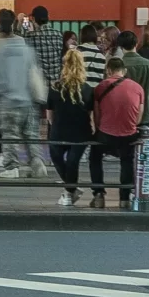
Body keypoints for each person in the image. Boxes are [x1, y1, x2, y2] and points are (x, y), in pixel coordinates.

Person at [0, 9, 45, 180]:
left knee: (10, 135)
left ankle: (12, 166)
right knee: (31, 134)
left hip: (8, 99)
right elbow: (34, 72)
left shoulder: (0, 47)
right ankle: (37, 161)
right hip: (28, 99)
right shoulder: (26, 47)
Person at [86, 56, 145, 208]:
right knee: (127, 161)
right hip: (129, 135)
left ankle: (98, 195)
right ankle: (124, 198)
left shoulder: (100, 87)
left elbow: (97, 116)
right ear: (124, 71)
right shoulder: (138, 88)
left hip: (105, 134)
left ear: (108, 70)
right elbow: (139, 117)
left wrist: (101, 128)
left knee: (95, 157)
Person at [111, 30, 149, 195]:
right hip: (147, 111)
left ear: (120, 45)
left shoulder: (116, 65)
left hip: (124, 114)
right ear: (136, 44)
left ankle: (127, 190)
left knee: (126, 154)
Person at [49, 41, 94, 206]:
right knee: (73, 161)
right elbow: (91, 114)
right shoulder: (88, 89)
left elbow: (50, 115)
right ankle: (69, 191)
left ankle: (71, 190)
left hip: (59, 130)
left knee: (57, 157)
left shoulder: (55, 87)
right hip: (81, 131)